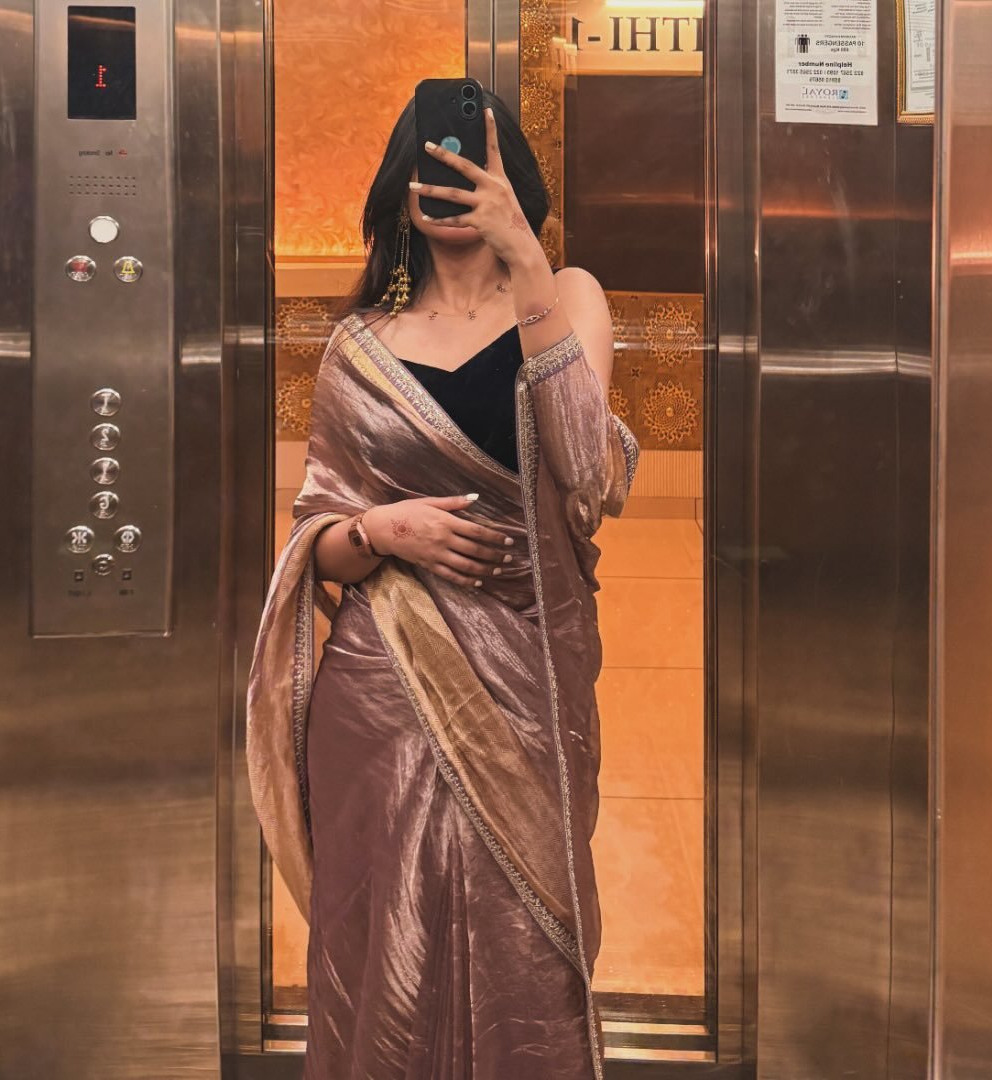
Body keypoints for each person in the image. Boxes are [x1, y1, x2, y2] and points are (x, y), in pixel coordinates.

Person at [247, 89, 638, 1080]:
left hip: (527, 679)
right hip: (379, 691)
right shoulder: (359, 347)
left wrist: (526, 257)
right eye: (436, 164)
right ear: (402, 187)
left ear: (519, 182)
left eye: (481, 166)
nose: (455, 183)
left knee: (527, 932)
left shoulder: (568, 296)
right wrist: (382, 529)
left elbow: (588, 477)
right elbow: (317, 541)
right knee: (384, 935)